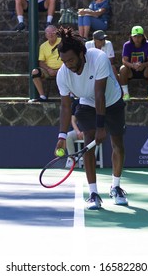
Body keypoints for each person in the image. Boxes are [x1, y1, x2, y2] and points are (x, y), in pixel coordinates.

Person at [55, 26, 128, 210]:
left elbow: (100, 94)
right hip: (87, 102)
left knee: (117, 143)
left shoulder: (98, 58)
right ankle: (93, 193)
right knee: (89, 140)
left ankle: (116, 187)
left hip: (110, 99)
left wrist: (101, 126)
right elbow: (65, 106)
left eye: (71, 59)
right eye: (64, 61)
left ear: (81, 53)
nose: (68, 64)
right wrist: (62, 137)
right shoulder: (63, 74)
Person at [119, 25, 148, 102]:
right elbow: (124, 60)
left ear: (143, 36)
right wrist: (132, 65)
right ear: (131, 37)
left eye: (139, 36)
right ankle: (125, 94)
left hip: (144, 70)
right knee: (122, 69)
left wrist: (143, 65)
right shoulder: (127, 45)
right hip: (131, 70)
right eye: (135, 36)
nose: (137, 39)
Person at [29, 24, 62, 102]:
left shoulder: (62, 42)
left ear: (56, 33)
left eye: (52, 32)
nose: (50, 34)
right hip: (48, 70)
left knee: (69, 70)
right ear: (46, 35)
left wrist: (59, 70)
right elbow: (41, 62)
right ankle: (42, 96)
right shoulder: (43, 46)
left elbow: (68, 57)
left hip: (63, 68)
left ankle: (70, 95)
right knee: (35, 72)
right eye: (48, 32)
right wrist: (49, 69)